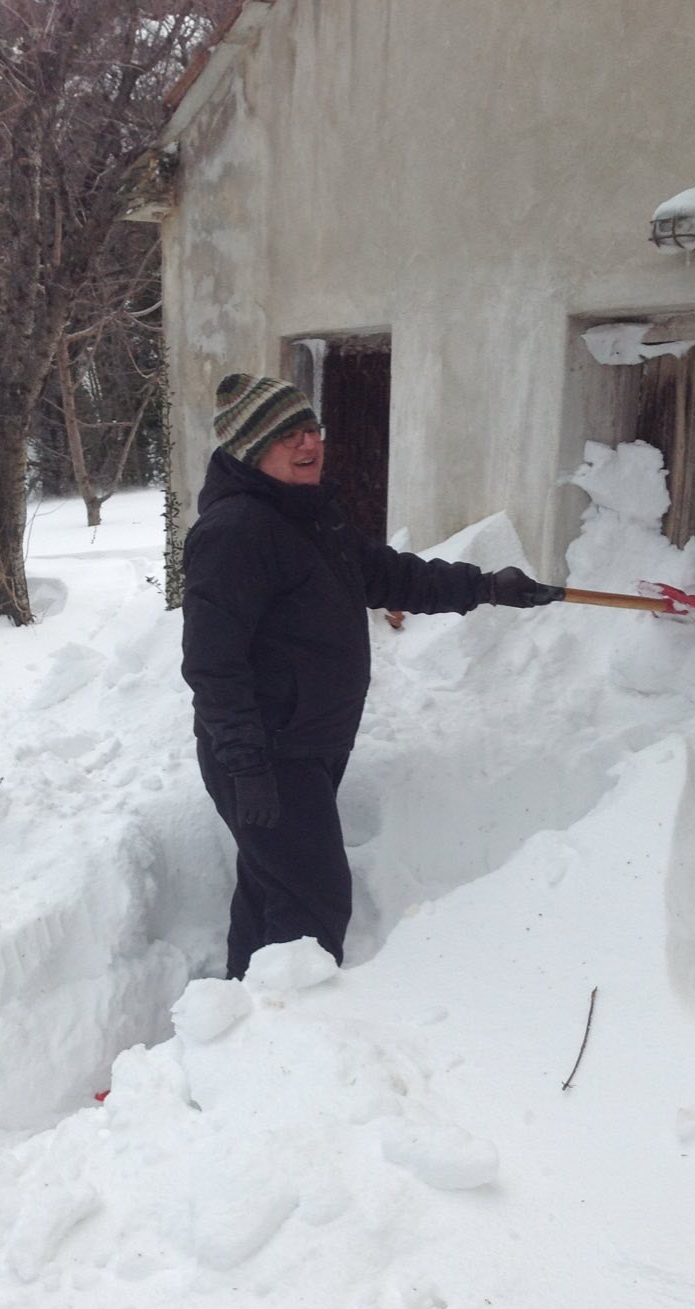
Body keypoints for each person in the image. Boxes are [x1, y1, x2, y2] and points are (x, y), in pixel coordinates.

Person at [180, 371, 562, 980]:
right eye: (288, 437)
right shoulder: (235, 534)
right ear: (252, 451)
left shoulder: (306, 517)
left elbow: (393, 576)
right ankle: (281, 1036)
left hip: (307, 746)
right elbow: (211, 664)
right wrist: (247, 766)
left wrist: (487, 586)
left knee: (272, 887)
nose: (309, 445)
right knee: (314, 901)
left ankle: (238, 1019)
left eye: (311, 429)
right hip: (267, 755)